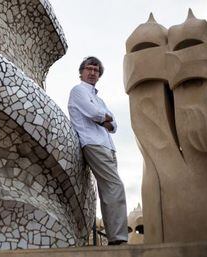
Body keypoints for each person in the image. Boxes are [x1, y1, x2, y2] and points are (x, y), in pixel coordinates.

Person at [68, 56, 128, 245]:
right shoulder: (78, 91)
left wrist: (105, 119)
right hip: (93, 143)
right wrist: (104, 118)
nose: (93, 72)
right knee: (114, 187)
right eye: (89, 69)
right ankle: (118, 238)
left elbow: (115, 126)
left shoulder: (99, 99)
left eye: (96, 70)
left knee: (108, 190)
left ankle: (114, 237)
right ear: (81, 71)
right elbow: (94, 113)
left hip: (108, 146)